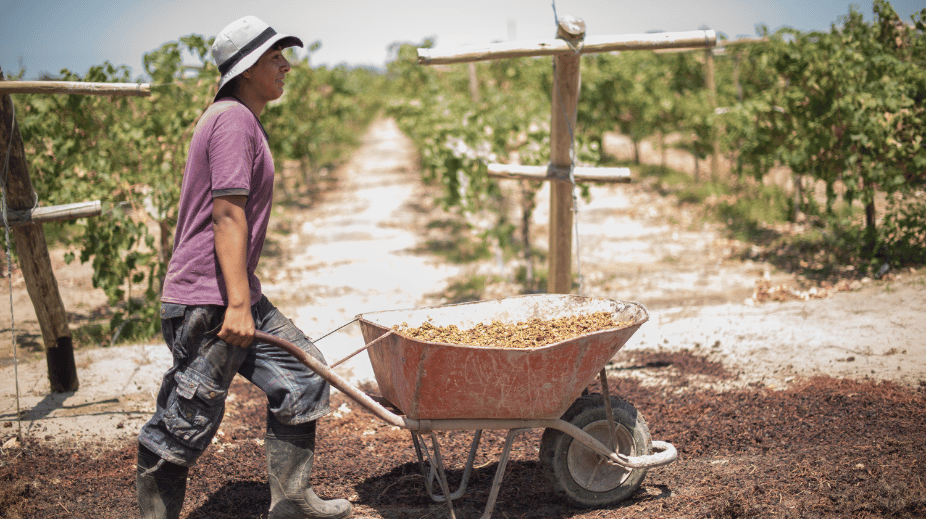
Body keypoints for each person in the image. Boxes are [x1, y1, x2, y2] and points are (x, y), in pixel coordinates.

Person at [135, 16, 352, 519]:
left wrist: (244, 295)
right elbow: (227, 213)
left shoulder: (240, 118)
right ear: (247, 68)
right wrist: (236, 303)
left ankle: (292, 503)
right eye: (276, 58)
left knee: (303, 374)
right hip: (207, 300)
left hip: (234, 292)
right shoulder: (231, 120)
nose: (287, 66)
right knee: (185, 419)